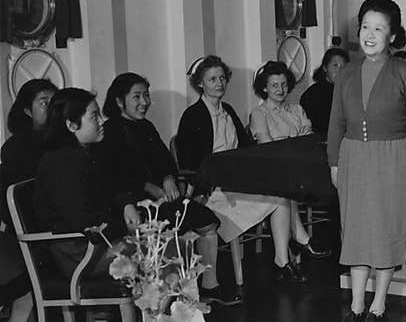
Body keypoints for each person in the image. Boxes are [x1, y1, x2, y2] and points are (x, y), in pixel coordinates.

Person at [327, 0, 406, 322]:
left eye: (379, 29)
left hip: (393, 159)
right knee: (355, 231)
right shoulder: (347, 74)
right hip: (354, 158)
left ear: (392, 36)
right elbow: (335, 123)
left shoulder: (405, 72)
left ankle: (379, 303)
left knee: (386, 230)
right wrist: (334, 162)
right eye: (365, 27)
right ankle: (355, 305)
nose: (370, 35)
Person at [98, 72, 240, 306]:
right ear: (119, 101)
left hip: (164, 199)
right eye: (136, 96)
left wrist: (167, 178)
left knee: (209, 223)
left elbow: (165, 161)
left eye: (146, 95)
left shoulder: (146, 127)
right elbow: (115, 178)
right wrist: (148, 187)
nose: (144, 102)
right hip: (135, 205)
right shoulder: (110, 132)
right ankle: (177, 299)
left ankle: (210, 285)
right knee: (178, 231)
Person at [176, 55, 307, 284]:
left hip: (236, 182)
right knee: (279, 195)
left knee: (281, 196)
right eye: (212, 79)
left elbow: (245, 148)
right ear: (200, 84)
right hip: (212, 190)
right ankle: (289, 255)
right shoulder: (192, 115)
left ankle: (281, 261)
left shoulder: (227, 110)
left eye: (222, 78)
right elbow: (192, 161)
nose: (219, 83)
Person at [33, 88, 141, 280]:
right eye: (94, 116)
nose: (101, 122)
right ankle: (159, 310)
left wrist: (126, 205)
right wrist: (127, 228)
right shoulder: (60, 162)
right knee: (164, 250)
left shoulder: (86, 154)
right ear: (72, 125)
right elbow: (81, 218)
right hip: (79, 253)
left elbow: (110, 186)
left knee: (167, 245)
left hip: (96, 242)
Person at [0, 79, 57, 322]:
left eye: (53, 101)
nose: (51, 107)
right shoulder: (16, 148)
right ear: (26, 110)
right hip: (30, 227)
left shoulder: (58, 138)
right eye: (43, 101)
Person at [249, 60, 331, 259]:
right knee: (285, 187)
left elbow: (309, 139)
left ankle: (290, 252)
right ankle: (301, 239)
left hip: (299, 168)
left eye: (284, 84)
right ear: (264, 88)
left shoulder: (296, 110)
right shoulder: (259, 114)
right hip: (270, 171)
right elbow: (268, 148)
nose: (280, 89)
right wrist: (292, 142)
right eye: (274, 85)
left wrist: (286, 142)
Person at [300, 48, 349, 137]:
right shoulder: (312, 94)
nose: (339, 71)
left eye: (343, 67)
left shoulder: (349, 91)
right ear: (325, 67)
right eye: (335, 65)